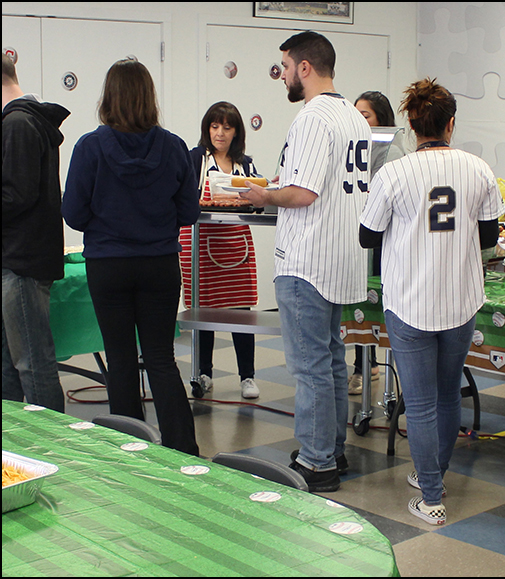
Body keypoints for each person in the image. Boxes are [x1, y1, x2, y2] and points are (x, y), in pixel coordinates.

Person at [360, 78, 502, 525]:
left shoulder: (393, 173)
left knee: (420, 404)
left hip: (410, 303)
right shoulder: (478, 169)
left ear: (411, 125)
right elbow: (489, 237)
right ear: (450, 124)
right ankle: (433, 475)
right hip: (461, 300)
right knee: (447, 393)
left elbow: (367, 236)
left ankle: (432, 497)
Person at [240, 31, 372, 492]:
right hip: (343, 256)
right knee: (331, 359)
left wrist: (264, 195)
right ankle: (331, 449)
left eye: (284, 67)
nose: (282, 76)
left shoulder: (312, 117)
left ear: (304, 67)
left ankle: (317, 462)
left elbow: (302, 193)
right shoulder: (354, 117)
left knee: (310, 365)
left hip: (308, 259)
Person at [61, 58, 200, 456]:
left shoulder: (89, 147)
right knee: (161, 358)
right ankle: (182, 448)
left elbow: (73, 214)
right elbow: (189, 212)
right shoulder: (173, 146)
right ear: (149, 98)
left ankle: (129, 451)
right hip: (159, 264)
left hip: (108, 265)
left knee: (120, 360)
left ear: (109, 97)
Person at [179, 101, 261, 399]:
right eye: (215, 126)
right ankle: (204, 373)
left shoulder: (245, 164)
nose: (220, 133)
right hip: (199, 245)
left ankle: (247, 376)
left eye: (227, 127)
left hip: (235, 246)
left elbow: (258, 201)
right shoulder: (195, 159)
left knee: (241, 312)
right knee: (204, 309)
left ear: (236, 132)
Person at [2, 53, 70, 413]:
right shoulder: (23, 121)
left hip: (21, 262)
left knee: (32, 361)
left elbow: (16, 194)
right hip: (17, 258)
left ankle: (54, 442)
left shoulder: (18, 123)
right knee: (9, 363)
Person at [346, 91, 398, 395]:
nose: (360, 121)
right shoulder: (355, 147)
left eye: (365, 115)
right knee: (359, 300)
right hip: (358, 232)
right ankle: (364, 363)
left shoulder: (391, 151)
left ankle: (371, 365)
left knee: (376, 298)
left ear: (381, 119)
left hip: (380, 237)